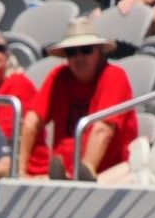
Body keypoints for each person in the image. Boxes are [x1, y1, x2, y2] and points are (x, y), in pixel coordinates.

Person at [12, 19, 137, 179]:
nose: (79, 58)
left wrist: (82, 175)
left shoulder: (114, 76)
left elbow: (103, 130)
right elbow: (31, 121)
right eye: (72, 52)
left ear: (98, 52)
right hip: (62, 175)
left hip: (104, 175)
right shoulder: (59, 77)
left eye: (85, 50)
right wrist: (21, 172)